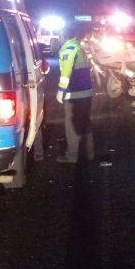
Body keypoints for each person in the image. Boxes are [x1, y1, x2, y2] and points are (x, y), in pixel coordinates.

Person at [55, 22, 94, 163]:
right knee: (85, 122)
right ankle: (90, 153)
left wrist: (61, 90)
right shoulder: (78, 46)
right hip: (86, 91)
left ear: (63, 35)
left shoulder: (68, 48)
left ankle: (72, 155)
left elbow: (66, 72)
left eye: (59, 35)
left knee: (71, 123)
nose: (58, 38)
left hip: (75, 93)